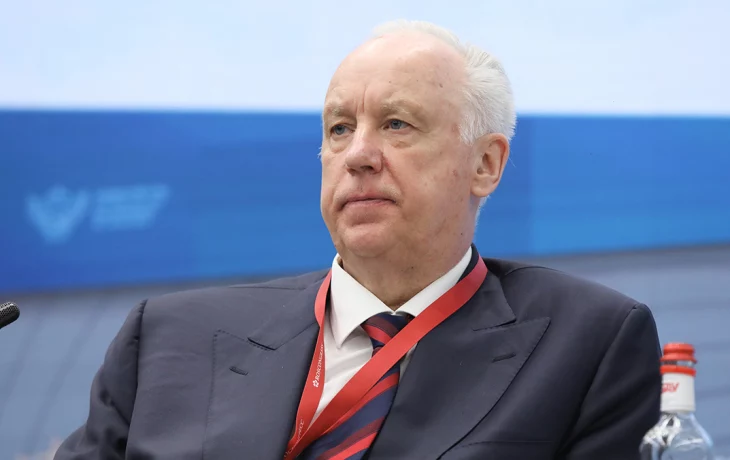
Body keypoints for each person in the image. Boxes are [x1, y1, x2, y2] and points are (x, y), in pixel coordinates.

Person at [55, 19, 661, 460]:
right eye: (339, 128)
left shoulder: (588, 344)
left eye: (397, 124)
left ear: (486, 164)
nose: (358, 155)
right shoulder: (167, 338)